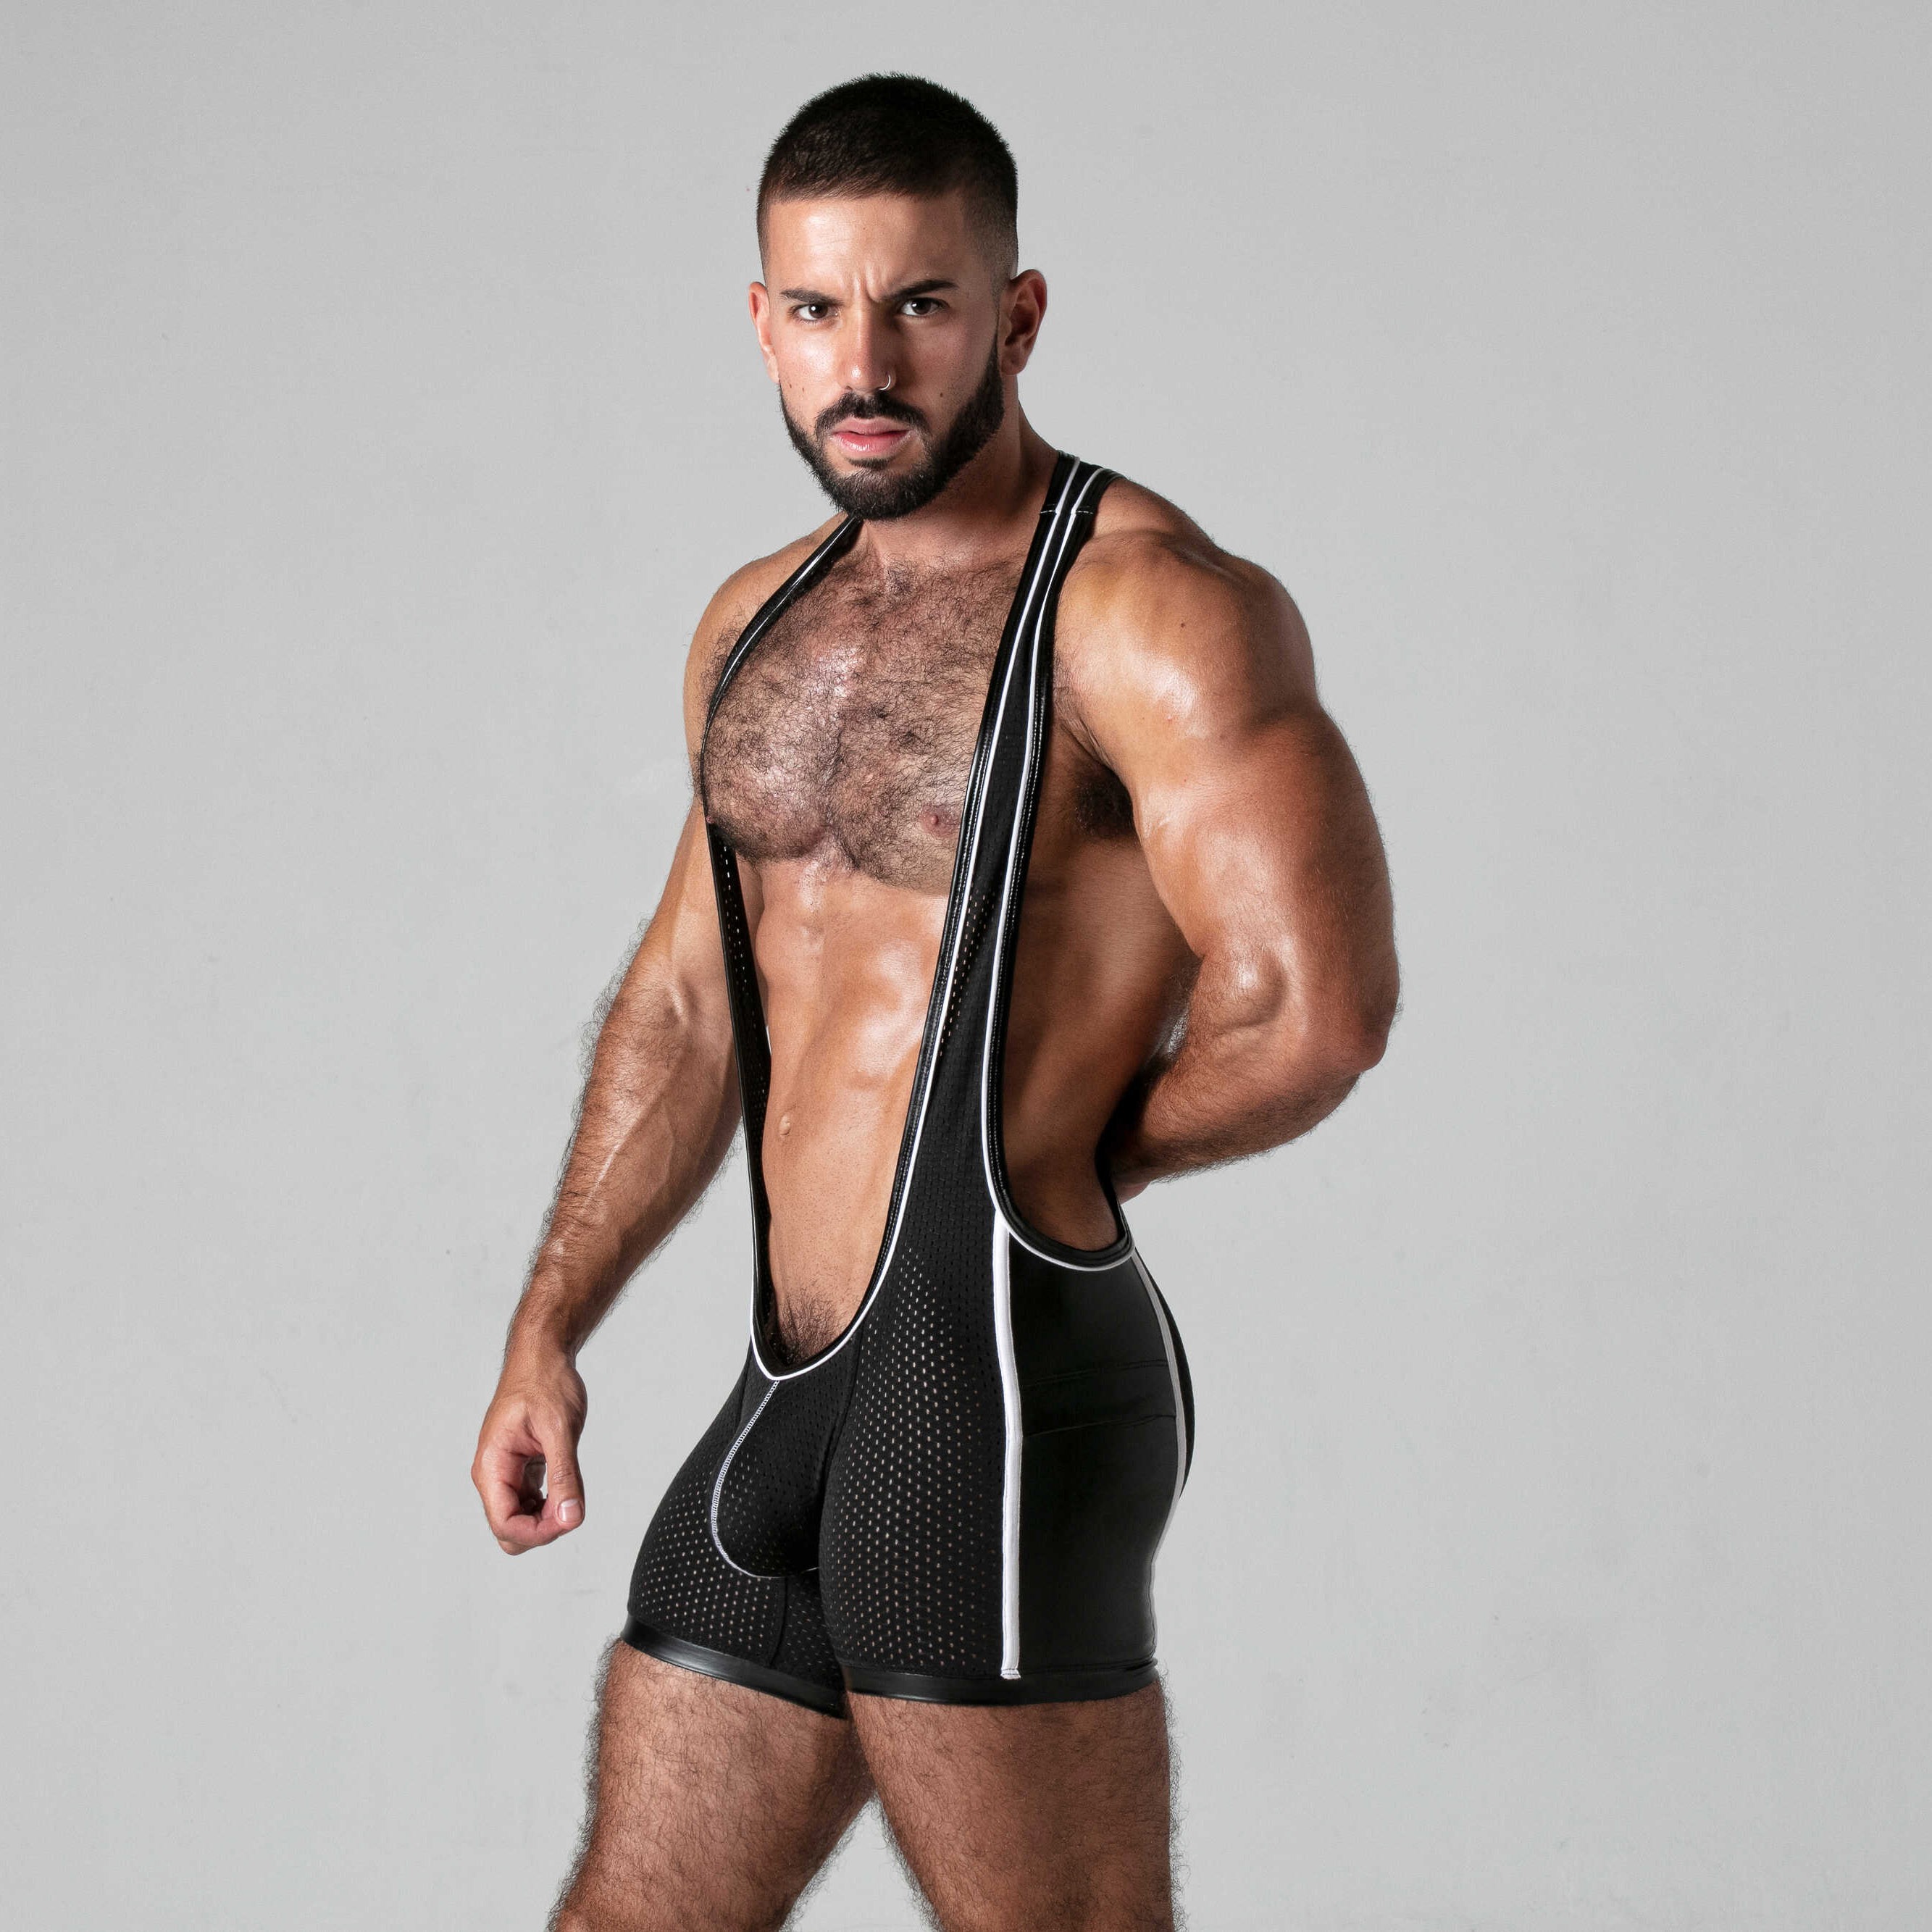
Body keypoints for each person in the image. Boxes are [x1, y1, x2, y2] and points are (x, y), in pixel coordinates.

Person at [472, 71, 1398, 1932]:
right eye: (818, 310)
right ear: (761, 323)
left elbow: (1315, 1008)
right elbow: (686, 1004)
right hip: (790, 1383)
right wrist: (547, 1324)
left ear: (1015, 315)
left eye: (919, 304)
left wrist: (1060, 1160)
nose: (865, 363)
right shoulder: (757, 622)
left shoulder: (1148, 610)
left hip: (998, 1381)